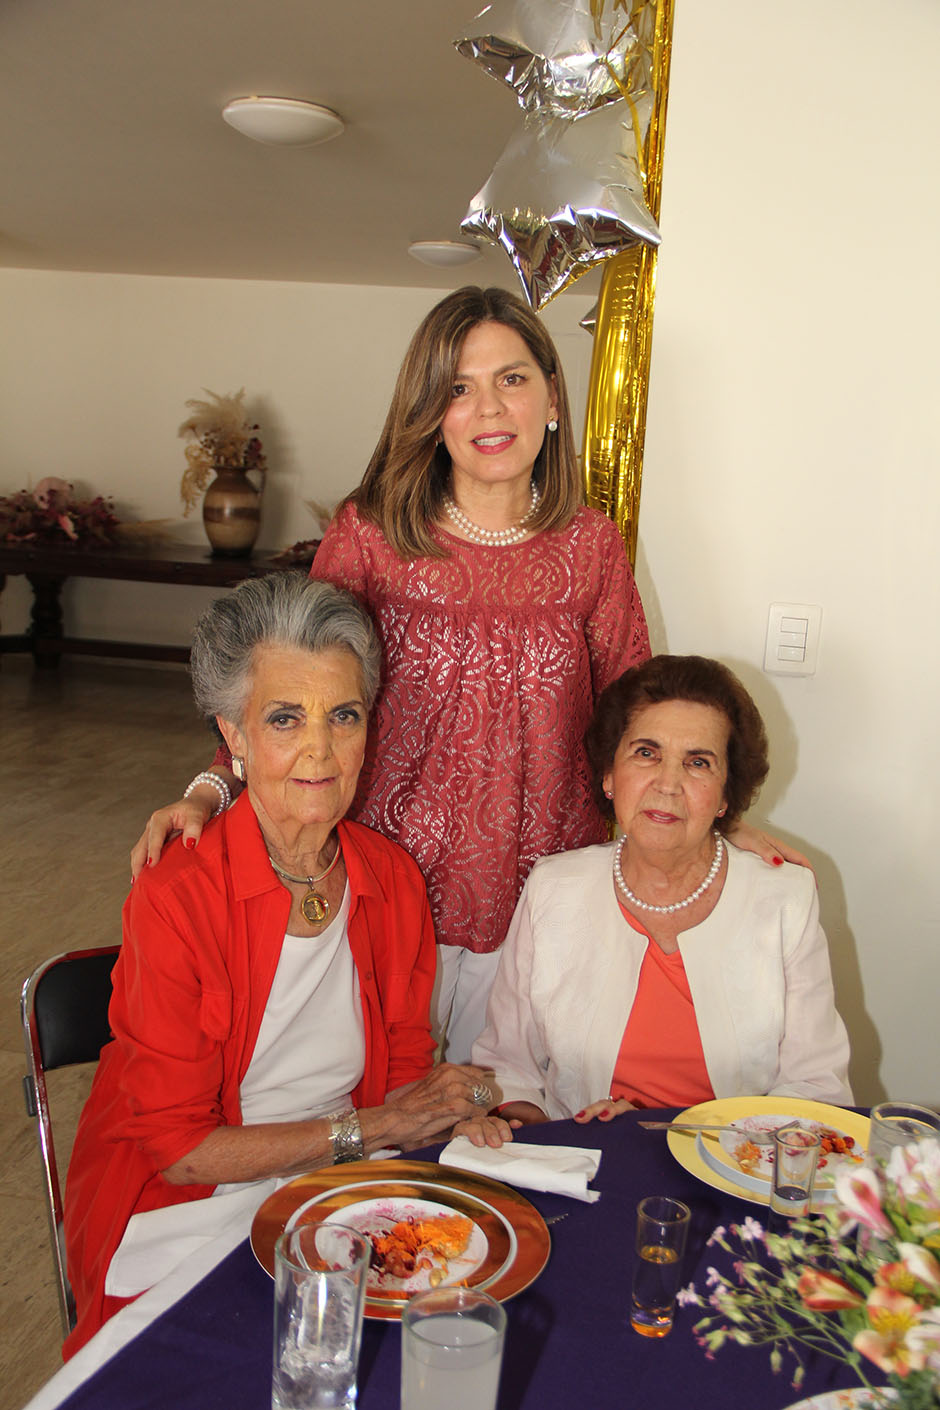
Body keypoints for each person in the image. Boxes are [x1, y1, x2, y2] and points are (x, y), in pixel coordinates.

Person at [131, 288, 801, 1062]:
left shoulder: (590, 546)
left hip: (541, 895)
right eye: (459, 387)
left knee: (498, 1122)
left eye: (512, 379)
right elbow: (288, 682)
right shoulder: (371, 534)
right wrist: (210, 789)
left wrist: (712, 821)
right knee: (386, 1116)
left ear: (552, 395)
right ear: (430, 413)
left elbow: (642, 716)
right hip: (382, 890)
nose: (490, 409)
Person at [64, 574, 494, 1357]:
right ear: (232, 737)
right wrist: (374, 1129)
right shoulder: (178, 892)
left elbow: (401, 1066)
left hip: (335, 1195)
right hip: (185, 1209)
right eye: (285, 718)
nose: (320, 751)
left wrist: (442, 1109)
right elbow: (181, 1151)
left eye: (344, 716)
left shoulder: (390, 879)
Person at [457, 655, 851, 1147]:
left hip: (734, 1173)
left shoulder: (784, 899)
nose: (668, 783)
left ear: (725, 796)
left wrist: (686, 1139)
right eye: (646, 753)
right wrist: (539, 1128)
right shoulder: (553, 888)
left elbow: (815, 1087)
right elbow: (507, 1063)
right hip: (588, 1167)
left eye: (698, 763)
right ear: (609, 774)